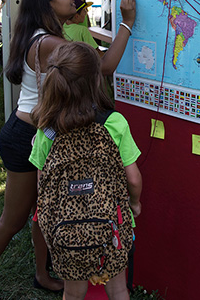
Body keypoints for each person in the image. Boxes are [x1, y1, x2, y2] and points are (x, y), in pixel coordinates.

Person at [0, 0, 136, 300]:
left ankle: (42, 274)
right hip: (28, 137)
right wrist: (127, 24)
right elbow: (102, 66)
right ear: (48, 3)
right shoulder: (51, 43)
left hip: (40, 133)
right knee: (13, 218)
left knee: (50, 208)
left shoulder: (45, 36)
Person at [29, 42, 142, 300]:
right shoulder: (114, 123)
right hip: (112, 224)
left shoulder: (47, 128)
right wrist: (134, 203)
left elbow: (42, 186)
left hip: (65, 230)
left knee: (73, 291)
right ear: (95, 81)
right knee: (117, 288)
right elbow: (133, 178)